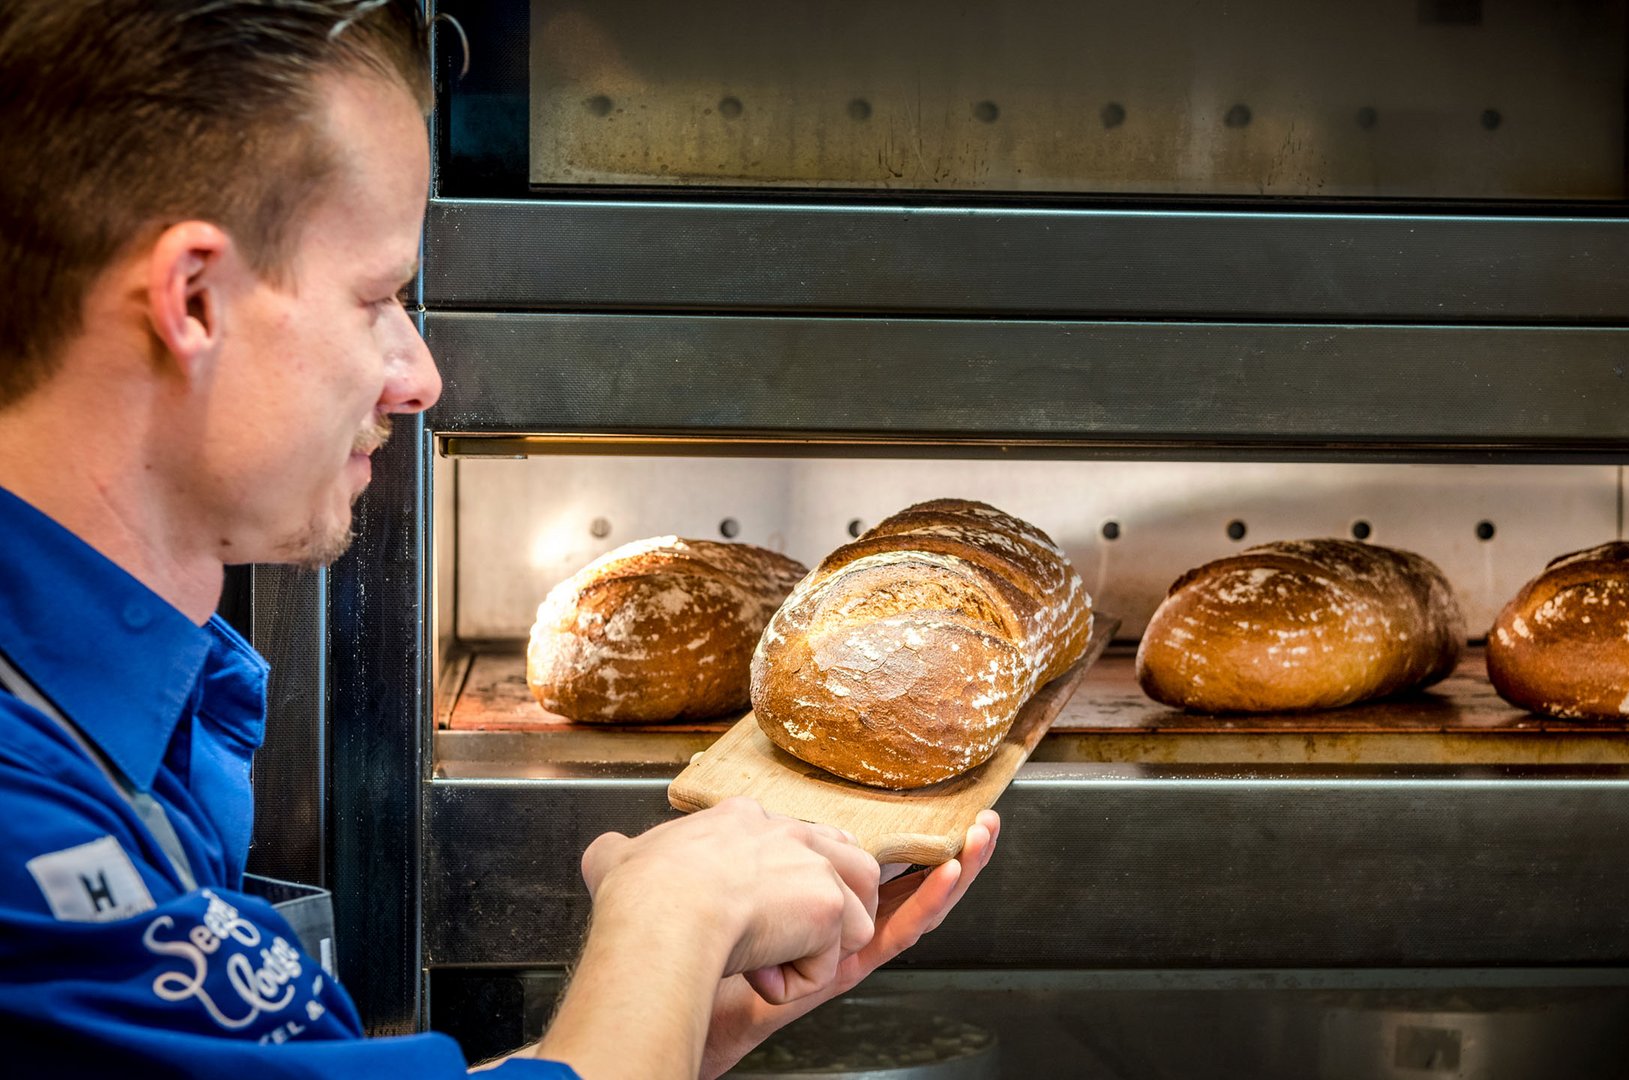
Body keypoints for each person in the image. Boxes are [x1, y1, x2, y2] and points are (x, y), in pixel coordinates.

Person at [0, 3, 998, 1076]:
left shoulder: (104, 721)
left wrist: (655, 1031)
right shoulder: (25, 828)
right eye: (378, 296)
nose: (419, 377)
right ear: (192, 297)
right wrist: (667, 919)